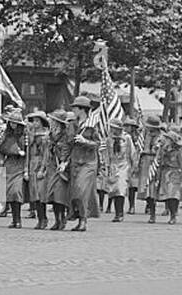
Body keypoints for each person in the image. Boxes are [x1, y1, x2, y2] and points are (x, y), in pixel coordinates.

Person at [67, 97, 100, 231]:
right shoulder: (73, 124)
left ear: (82, 109)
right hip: (75, 161)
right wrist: (64, 161)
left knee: (81, 190)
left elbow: (98, 144)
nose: (73, 110)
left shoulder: (93, 124)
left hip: (89, 162)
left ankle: (83, 220)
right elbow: (68, 143)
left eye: (75, 107)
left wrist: (85, 140)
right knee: (75, 192)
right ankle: (79, 216)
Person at [0, 109, 29, 228]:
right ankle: (14, 220)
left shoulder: (24, 136)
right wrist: (1, 160)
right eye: (11, 122)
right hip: (9, 164)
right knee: (9, 193)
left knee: (17, 192)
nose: (13, 125)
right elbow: (1, 149)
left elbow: (28, 153)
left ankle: (18, 219)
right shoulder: (6, 135)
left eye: (15, 123)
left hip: (19, 165)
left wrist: (26, 169)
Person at [103, 117, 136, 222]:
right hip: (113, 166)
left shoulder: (127, 138)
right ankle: (116, 212)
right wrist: (107, 167)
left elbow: (132, 153)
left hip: (124, 166)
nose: (112, 130)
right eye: (111, 127)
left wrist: (133, 167)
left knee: (120, 189)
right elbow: (107, 154)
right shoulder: (109, 139)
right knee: (113, 190)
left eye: (114, 128)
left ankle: (120, 213)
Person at [153, 124, 182, 224]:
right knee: (167, 195)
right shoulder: (163, 150)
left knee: (173, 195)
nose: (166, 140)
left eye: (168, 139)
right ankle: (171, 212)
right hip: (165, 173)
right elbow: (158, 160)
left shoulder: (178, 152)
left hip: (175, 173)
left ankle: (173, 215)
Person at [44, 110, 72, 231]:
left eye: (53, 120)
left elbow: (67, 150)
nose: (50, 122)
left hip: (62, 167)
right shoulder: (50, 134)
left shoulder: (65, 135)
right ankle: (57, 220)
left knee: (60, 195)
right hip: (51, 166)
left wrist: (64, 162)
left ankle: (62, 219)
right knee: (53, 195)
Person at [26, 110, 51, 229]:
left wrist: (43, 168)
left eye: (37, 121)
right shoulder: (30, 135)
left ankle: (44, 218)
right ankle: (39, 218)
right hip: (32, 164)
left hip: (40, 163)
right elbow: (27, 153)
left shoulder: (46, 136)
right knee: (34, 194)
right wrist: (26, 168)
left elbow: (46, 154)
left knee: (41, 193)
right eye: (34, 121)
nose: (35, 123)